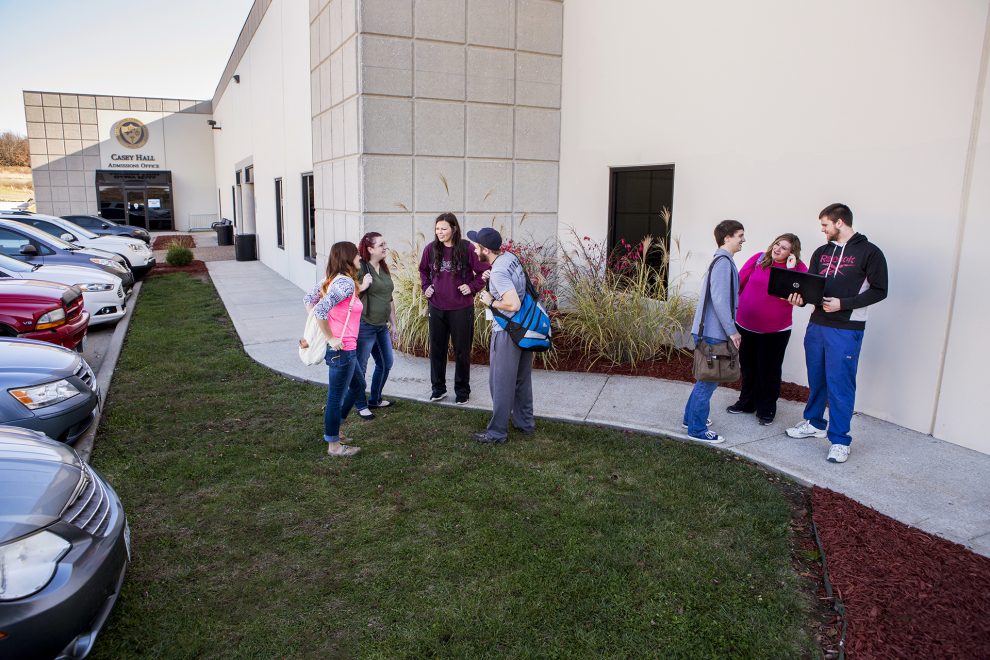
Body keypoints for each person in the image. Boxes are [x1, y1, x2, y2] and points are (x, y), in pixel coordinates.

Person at [786, 203, 888, 464]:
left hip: (847, 328)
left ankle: (841, 440)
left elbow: (879, 290)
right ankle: (815, 423)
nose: (823, 230)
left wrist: (843, 304)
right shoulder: (821, 252)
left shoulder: (870, 252)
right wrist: (800, 299)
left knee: (840, 383)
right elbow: (811, 285)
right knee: (817, 378)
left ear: (839, 222)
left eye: (825, 225)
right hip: (817, 324)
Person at [726, 233, 807, 425]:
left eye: (784, 248)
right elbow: (738, 283)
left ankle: (766, 409)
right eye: (777, 244)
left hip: (776, 330)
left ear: (792, 252)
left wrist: (790, 268)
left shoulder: (799, 268)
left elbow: (803, 297)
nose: (777, 249)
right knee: (748, 366)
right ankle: (746, 403)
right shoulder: (759, 259)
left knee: (768, 370)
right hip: (745, 325)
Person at [682, 220, 746, 443]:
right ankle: (697, 430)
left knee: (704, 379)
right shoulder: (723, 263)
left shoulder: (722, 261)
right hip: (715, 331)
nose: (743, 240)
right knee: (708, 383)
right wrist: (732, 331)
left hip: (709, 330)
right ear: (727, 237)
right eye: (740, 236)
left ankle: (690, 420)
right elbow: (719, 300)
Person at [470, 227, 535, 444]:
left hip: (507, 331)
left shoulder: (498, 271)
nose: (473, 248)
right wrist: (492, 275)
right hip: (524, 328)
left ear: (485, 249)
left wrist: (491, 301)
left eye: (476, 245)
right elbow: (518, 285)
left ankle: (497, 432)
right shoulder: (508, 257)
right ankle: (524, 423)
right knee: (521, 379)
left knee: (500, 383)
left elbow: (513, 303)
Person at [302, 241, 365, 457]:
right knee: (335, 398)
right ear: (348, 258)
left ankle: (335, 430)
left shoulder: (331, 281)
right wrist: (330, 336)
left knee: (358, 387)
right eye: (357, 255)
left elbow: (308, 300)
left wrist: (330, 321)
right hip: (342, 349)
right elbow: (320, 309)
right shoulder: (344, 285)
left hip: (348, 348)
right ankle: (334, 446)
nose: (360, 258)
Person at [419, 213, 489, 404]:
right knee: (437, 350)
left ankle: (462, 391)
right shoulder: (430, 249)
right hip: (437, 306)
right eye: (437, 229)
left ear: (454, 229)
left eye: (444, 229)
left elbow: (484, 271)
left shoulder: (467, 248)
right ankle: (438, 389)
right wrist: (426, 287)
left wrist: (472, 287)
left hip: (461, 308)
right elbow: (423, 270)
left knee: (461, 351)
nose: (439, 232)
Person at [349, 232, 397, 419]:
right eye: (381, 245)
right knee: (360, 367)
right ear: (370, 249)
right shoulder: (361, 267)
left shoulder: (383, 268)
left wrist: (393, 323)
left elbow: (389, 297)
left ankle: (375, 399)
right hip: (365, 325)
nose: (385, 247)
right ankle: (361, 405)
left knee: (386, 362)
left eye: (385, 244)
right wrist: (363, 286)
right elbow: (348, 295)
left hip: (381, 326)